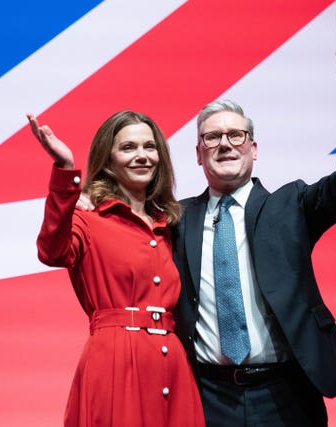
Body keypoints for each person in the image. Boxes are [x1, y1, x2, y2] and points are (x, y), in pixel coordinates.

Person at [77, 28, 336, 426]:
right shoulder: (173, 218)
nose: (225, 144)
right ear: (197, 154)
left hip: (286, 394)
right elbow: (124, 228)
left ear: (253, 149)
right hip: (207, 396)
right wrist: (92, 198)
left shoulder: (290, 205)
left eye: (236, 135)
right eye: (212, 137)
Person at [27, 110, 206, 427]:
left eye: (149, 147)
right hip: (114, 362)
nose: (142, 156)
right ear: (107, 160)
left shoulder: (170, 224)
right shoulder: (88, 217)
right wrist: (65, 172)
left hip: (172, 363)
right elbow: (51, 251)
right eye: (128, 148)